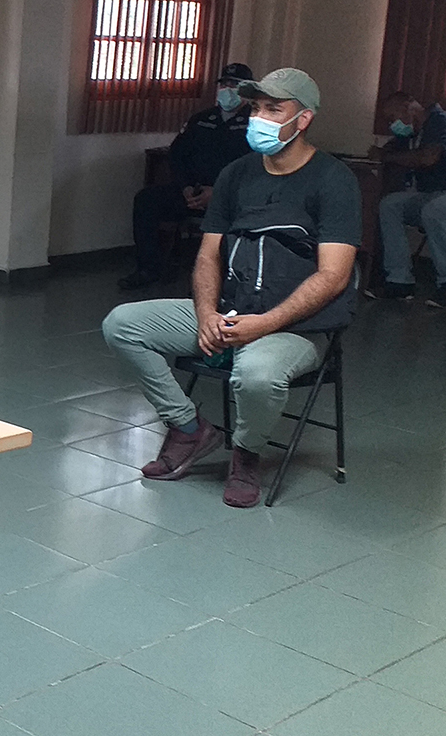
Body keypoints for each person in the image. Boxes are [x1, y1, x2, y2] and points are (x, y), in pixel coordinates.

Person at [100, 69, 360, 509]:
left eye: (273, 109)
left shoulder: (334, 181)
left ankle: (246, 453)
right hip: (231, 310)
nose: (258, 118)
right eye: (256, 108)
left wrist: (265, 324)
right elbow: (208, 256)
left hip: (297, 325)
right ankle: (188, 428)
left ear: (303, 120)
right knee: (122, 324)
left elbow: (333, 276)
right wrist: (206, 313)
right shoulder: (236, 175)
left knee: (255, 375)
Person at [120, 63, 256, 290]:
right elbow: (176, 155)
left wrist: (217, 192)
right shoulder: (202, 119)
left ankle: (226, 278)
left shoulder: (254, 123)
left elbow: (254, 167)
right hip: (191, 193)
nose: (227, 89)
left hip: (230, 197)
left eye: (234, 84)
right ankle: (149, 269)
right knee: (146, 200)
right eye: (224, 84)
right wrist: (185, 187)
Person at [365, 91, 446, 308]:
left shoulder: (442, 122)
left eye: (392, 118)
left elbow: (428, 158)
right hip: (430, 195)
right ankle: (399, 281)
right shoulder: (414, 132)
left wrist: (387, 156)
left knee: (434, 210)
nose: (392, 125)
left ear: (408, 107)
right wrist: (383, 151)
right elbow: (390, 150)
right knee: (390, 205)